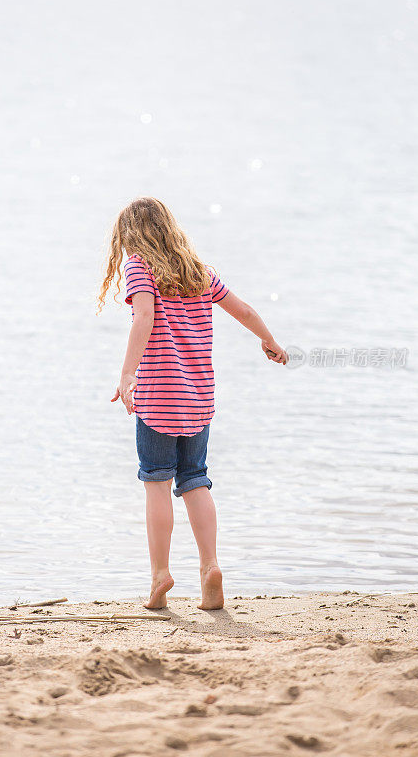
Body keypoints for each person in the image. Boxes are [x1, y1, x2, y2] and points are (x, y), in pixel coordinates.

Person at [98, 197, 288, 610]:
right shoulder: (198, 271)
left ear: (129, 236)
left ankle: (160, 576)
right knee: (196, 480)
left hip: (157, 400)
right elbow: (245, 310)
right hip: (198, 401)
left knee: (156, 483)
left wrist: (128, 373)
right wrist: (269, 341)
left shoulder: (138, 266)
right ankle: (210, 568)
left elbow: (143, 318)